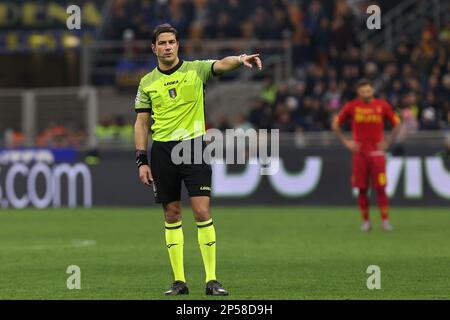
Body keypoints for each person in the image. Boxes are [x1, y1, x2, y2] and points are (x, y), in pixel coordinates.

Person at [133, 24, 262, 296]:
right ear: (153, 48)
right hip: (163, 152)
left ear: (178, 45)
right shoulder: (147, 82)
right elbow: (142, 123)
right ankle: (179, 282)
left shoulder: (196, 70)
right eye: (162, 43)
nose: (168, 46)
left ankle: (212, 280)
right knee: (172, 214)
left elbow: (221, 65)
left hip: (194, 148)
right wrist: (141, 159)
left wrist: (239, 60)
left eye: (172, 42)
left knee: (202, 211)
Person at [332, 79, 400, 232]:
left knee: (381, 188)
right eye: (363, 91)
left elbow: (397, 123)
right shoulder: (352, 106)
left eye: (369, 91)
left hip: (377, 154)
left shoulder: (383, 105)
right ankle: (366, 222)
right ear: (358, 93)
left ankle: (385, 221)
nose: (367, 94)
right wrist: (346, 142)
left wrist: (388, 141)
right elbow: (335, 124)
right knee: (362, 189)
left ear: (373, 90)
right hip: (360, 154)